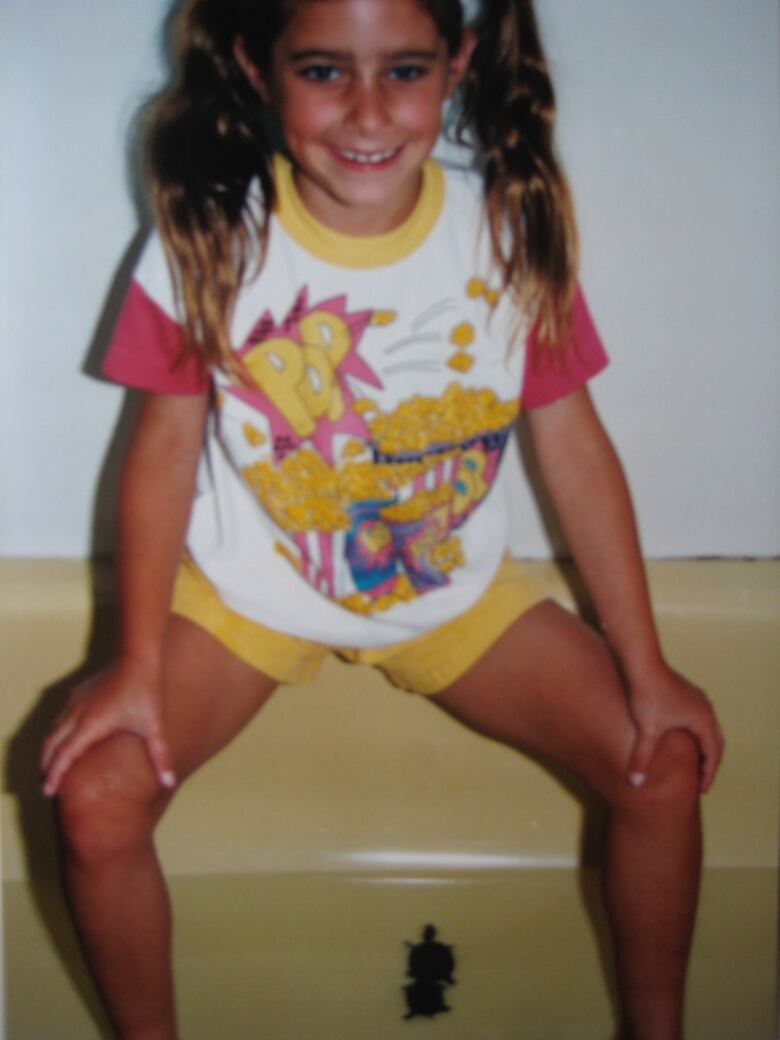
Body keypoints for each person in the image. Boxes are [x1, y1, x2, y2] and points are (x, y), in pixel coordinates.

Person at [40, 0, 724, 1037]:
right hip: (251, 593)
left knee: (661, 762)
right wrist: (133, 664)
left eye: (403, 70)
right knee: (92, 795)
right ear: (258, 68)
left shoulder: (504, 225)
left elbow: (576, 449)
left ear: (455, 66)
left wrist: (647, 663)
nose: (367, 111)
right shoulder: (213, 232)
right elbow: (161, 453)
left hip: (452, 593)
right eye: (324, 71)